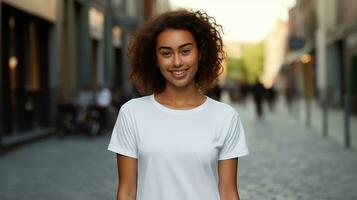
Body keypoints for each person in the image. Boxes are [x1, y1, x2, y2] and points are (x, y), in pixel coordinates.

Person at [108, 9, 249, 200]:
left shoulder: (225, 117)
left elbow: (228, 192)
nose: (177, 62)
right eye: (166, 53)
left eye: (185, 51)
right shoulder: (132, 113)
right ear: (156, 60)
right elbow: (126, 191)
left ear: (200, 53)